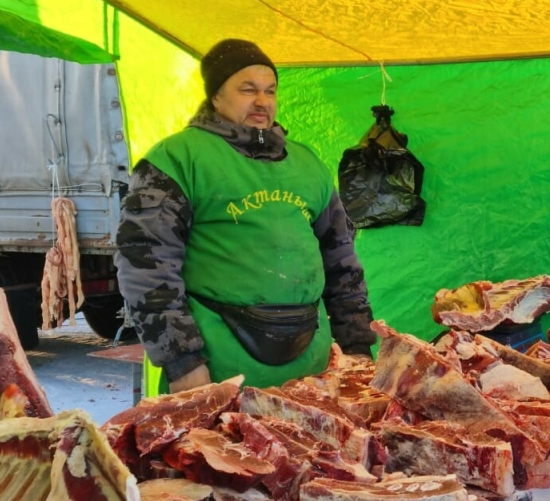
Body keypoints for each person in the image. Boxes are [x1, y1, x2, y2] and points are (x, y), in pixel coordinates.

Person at [116, 38, 376, 394]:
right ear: (215, 96)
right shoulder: (177, 158)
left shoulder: (307, 163)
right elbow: (146, 264)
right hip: (219, 368)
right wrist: (181, 361)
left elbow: (342, 262)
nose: (262, 101)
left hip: (312, 369)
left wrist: (357, 345)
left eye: (270, 91)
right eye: (248, 89)